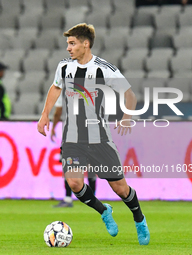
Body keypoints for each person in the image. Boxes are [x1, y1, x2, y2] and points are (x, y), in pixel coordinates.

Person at [37, 23, 150, 245]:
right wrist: (45, 115)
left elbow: (130, 95)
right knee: (75, 183)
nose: (68, 48)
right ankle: (103, 211)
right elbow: (56, 88)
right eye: (68, 44)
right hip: (72, 138)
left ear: (85, 44)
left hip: (99, 138)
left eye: (72, 43)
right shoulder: (64, 67)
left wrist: (126, 118)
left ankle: (138, 217)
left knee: (120, 188)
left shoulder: (104, 68)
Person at [51, 95, 97, 208]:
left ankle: (67, 198)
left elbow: (58, 112)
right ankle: (93, 199)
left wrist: (53, 128)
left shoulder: (64, 92)